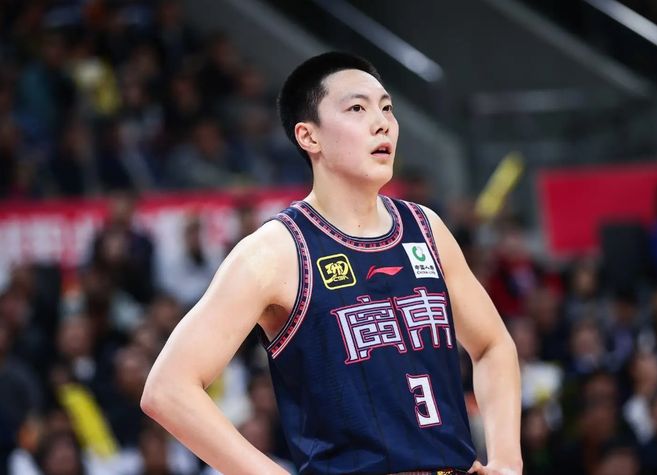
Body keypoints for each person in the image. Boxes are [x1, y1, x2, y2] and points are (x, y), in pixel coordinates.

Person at [141, 52, 522, 475]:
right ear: (309, 136)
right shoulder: (275, 251)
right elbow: (168, 389)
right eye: (357, 108)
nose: (382, 123)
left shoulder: (426, 228)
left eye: (387, 108)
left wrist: (506, 459)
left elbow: (493, 346)